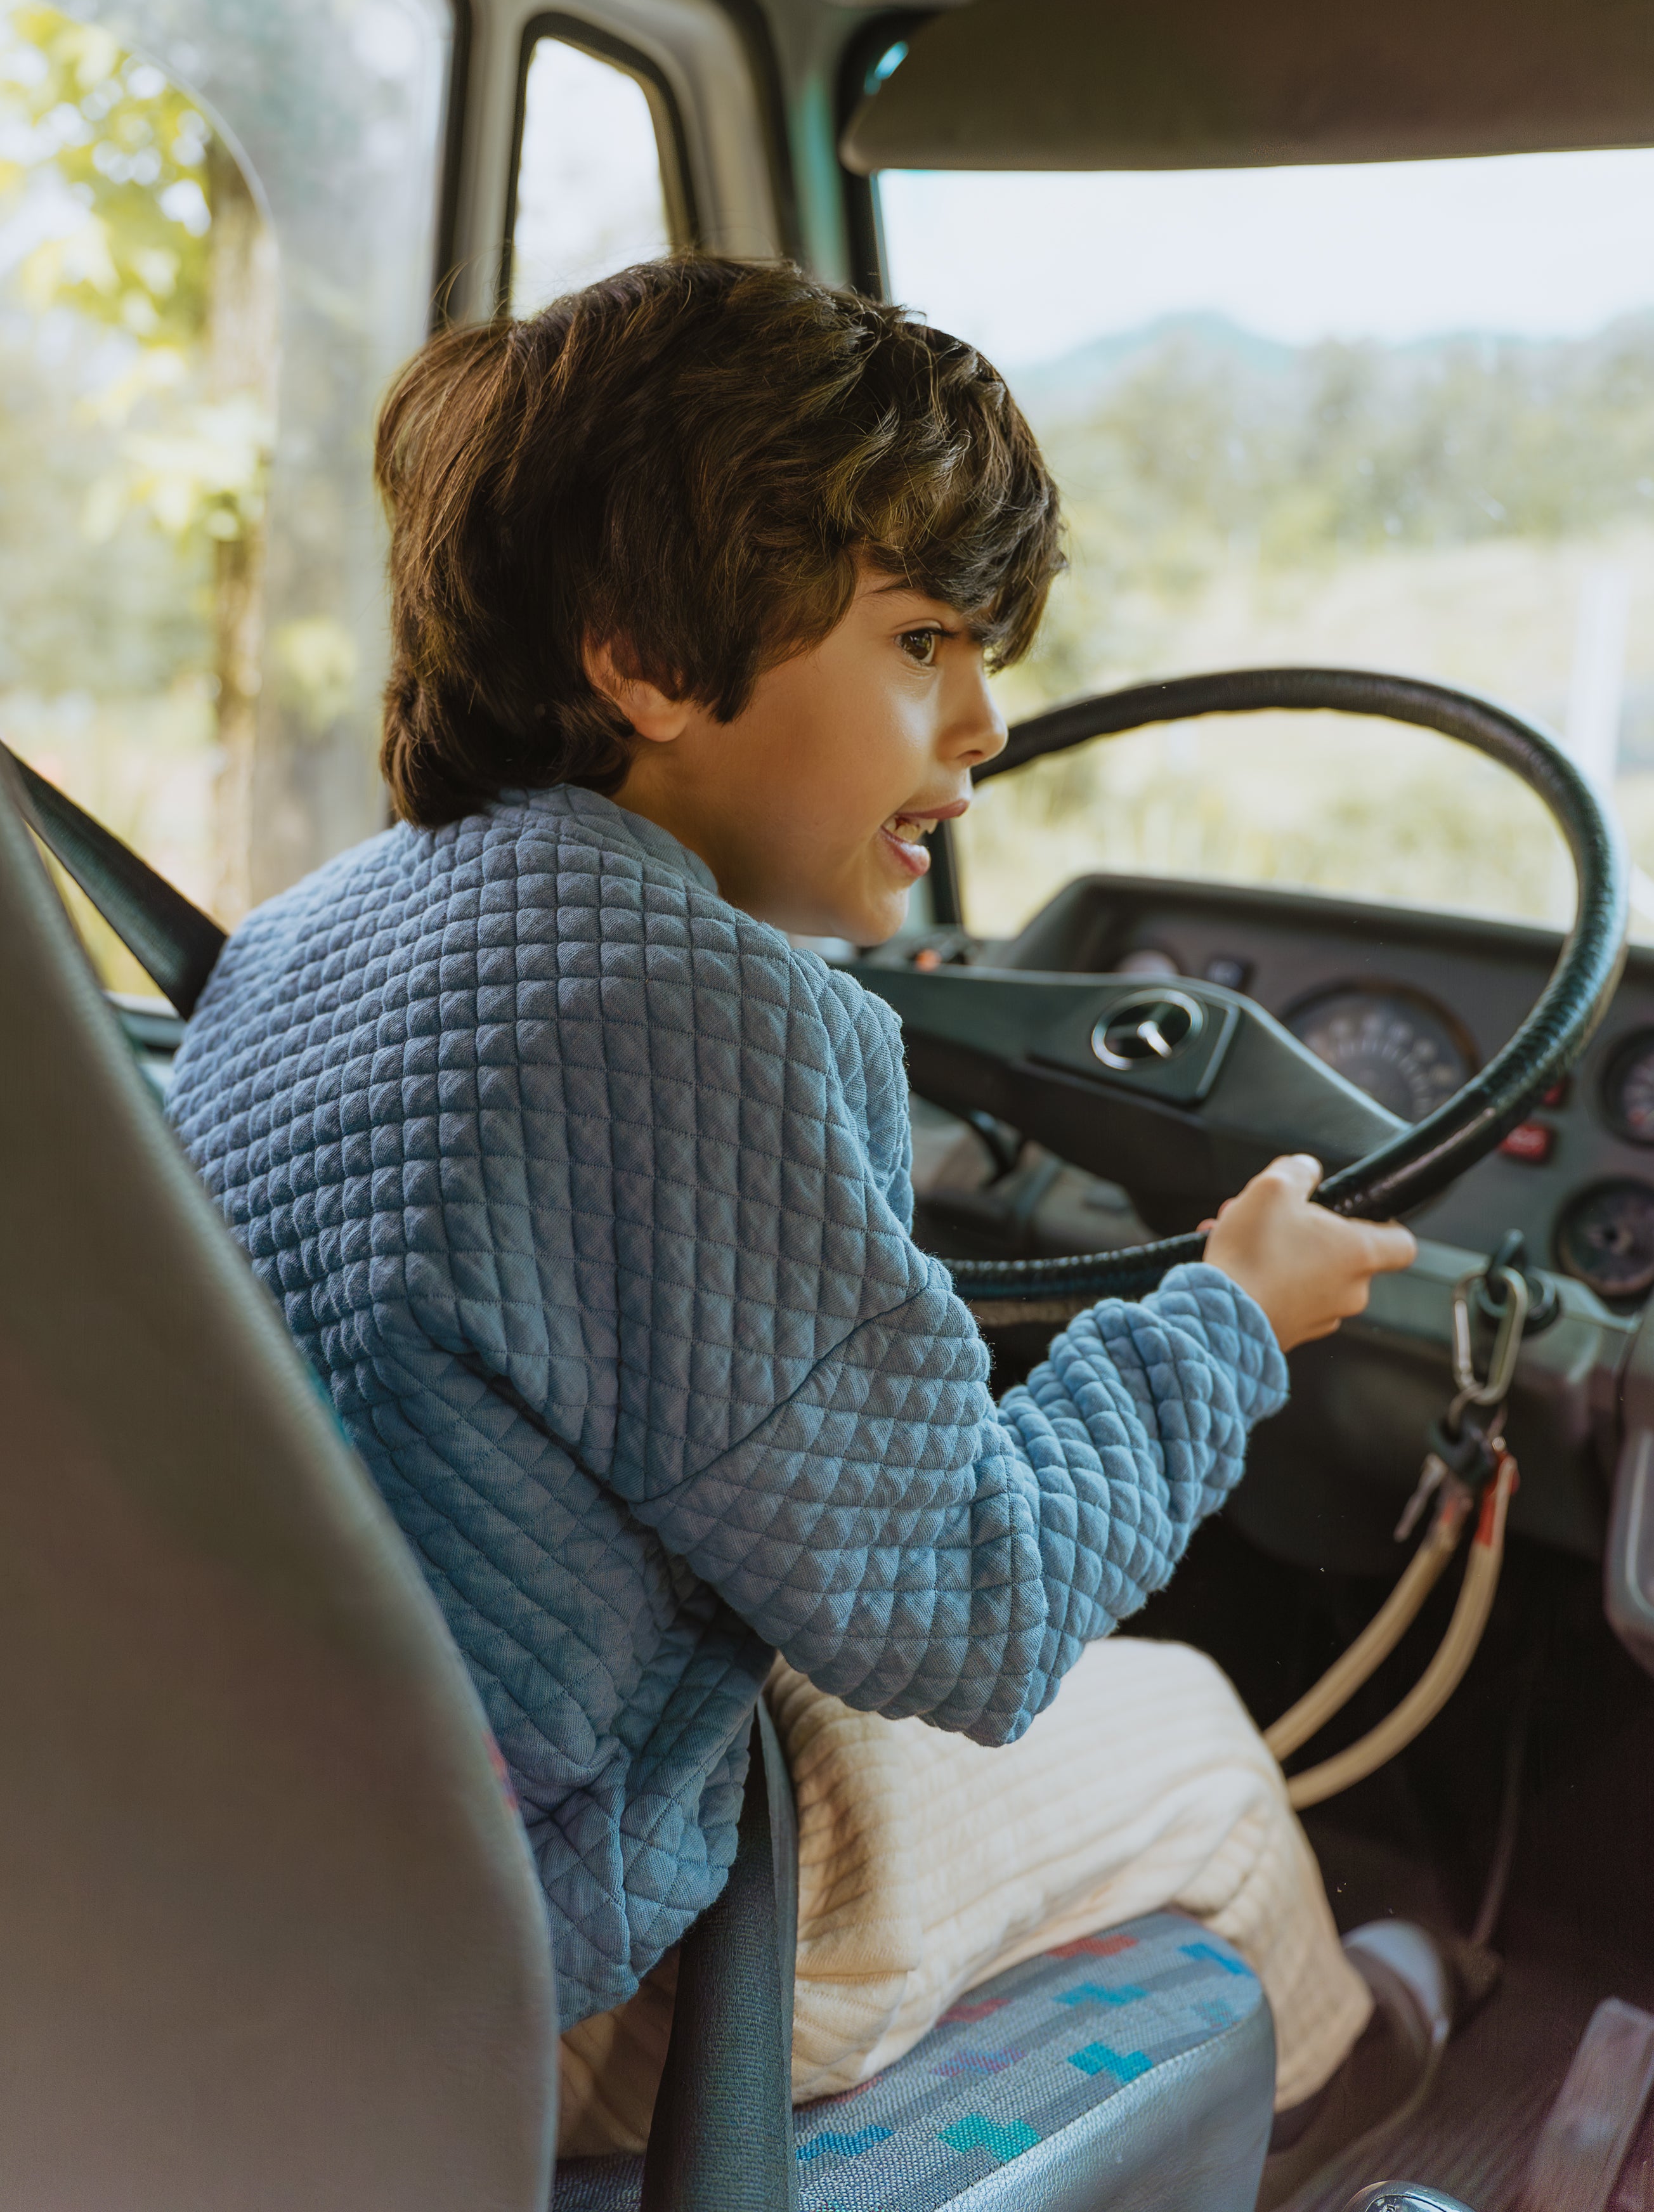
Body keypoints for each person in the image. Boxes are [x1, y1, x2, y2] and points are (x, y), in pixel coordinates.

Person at [167, 256, 1445, 2196]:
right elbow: (980, 1611)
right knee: (1186, 1730)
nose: (989, 719)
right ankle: (1357, 2111)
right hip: (561, 1965)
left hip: (267, 1872)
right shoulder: (715, 1022)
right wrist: (1233, 1317)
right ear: (646, 658)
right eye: (923, 640)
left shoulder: (318, 929)